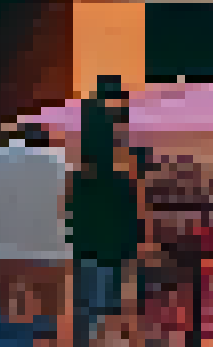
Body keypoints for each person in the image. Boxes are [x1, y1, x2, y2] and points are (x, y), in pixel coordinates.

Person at [64, 125, 141, 347]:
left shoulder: (78, 181)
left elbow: (70, 217)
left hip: (84, 254)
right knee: (105, 312)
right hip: (111, 256)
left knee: (85, 313)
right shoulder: (121, 182)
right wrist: (130, 255)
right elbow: (129, 222)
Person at [0, 123, 67, 338]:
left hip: (2, 244)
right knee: (48, 307)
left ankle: (2, 337)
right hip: (47, 244)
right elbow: (65, 202)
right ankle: (44, 336)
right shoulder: (56, 162)